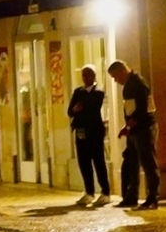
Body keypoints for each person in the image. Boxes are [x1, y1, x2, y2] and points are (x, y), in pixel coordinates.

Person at [107, 60, 159, 210]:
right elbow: (131, 110)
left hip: (144, 128)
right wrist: (128, 127)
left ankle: (153, 197)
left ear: (123, 71)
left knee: (148, 163)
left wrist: (131, 124)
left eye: (115, 76)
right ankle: (131, 196)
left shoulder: (138, 84)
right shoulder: (130, 85)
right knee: (131, 162)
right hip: (135, 129)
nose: (116, 81)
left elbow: (142, 109)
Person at [67, 66, 112, 207]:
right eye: (83, 75)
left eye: (87, 75)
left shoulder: (98, 92)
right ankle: (89, 191)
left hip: (94, 131)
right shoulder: (77, 92)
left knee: (98, 161)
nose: (85, 78)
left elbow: (92, 108)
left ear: (93, 76)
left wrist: (80, 108)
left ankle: (105, 192)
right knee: (84, 162)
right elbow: (70, 111)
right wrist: (75, 109)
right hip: (80, 131)